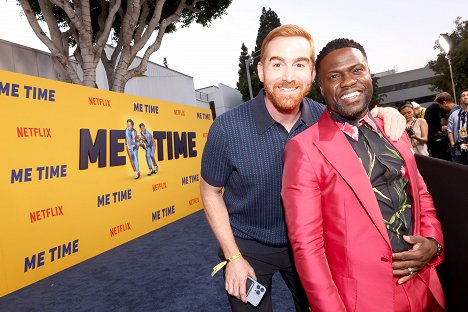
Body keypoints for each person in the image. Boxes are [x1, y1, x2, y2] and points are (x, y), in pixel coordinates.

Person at [200, 25, 406, 312]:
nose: (287, 76)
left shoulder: (329, 119)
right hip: (248, 246)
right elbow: (210, 192)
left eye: (299, 64)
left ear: (311, 74)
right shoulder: (227, 129)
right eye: (277, 64)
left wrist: (385, 113)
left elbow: (362, 118)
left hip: (314, 245)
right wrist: (233, 257)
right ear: (261, 71)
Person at [282, 38, 445, 312]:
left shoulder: (393, 129)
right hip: (364, 301)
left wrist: (433, 242)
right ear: (321, 88)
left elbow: (420, 194)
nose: (348, 82)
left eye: (357, 70)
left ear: (369, 74)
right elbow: (307, 248)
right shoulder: (303, 149)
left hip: (425, 284)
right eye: (334, 76)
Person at [425, 92, 456, 160]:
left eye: (440, 105)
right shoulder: (456, 110)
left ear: (444, 103)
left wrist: (447, 127)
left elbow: (457, 127)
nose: (440, 107)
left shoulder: (454, 112)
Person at [447, 89, 468, 165]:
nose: (465, 97)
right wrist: (453, 144)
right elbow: (450, 130)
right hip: (459, 149)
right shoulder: (454, 114)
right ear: (460, 99)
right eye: (463, 96)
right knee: (460, 174)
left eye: (467, 95)